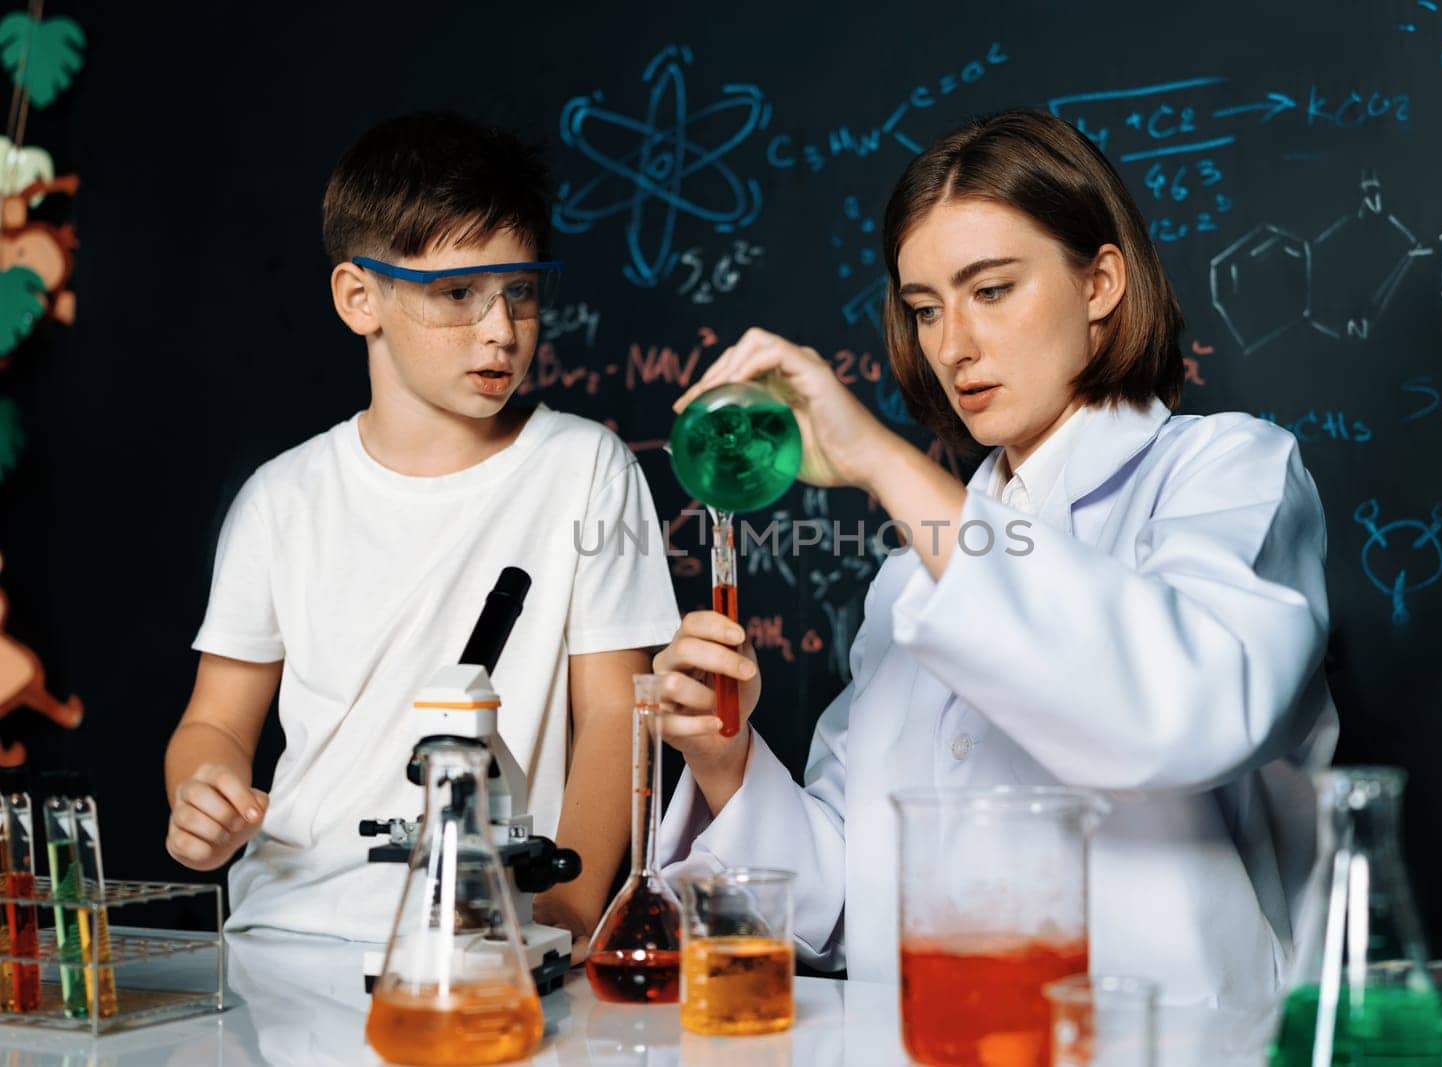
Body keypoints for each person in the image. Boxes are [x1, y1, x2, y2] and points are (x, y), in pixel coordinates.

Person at [651, 109, 1337, 1006]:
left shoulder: (1225, 473)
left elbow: (1181, 709)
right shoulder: (911, 578)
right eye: (926, 309)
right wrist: (726, 762)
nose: (952, 348)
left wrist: (883, 460)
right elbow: (854, 897)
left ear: (1100, 282)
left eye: (993, 290)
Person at [163, 113, 681, 952]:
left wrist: (571, 911)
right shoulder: (282, 499)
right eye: (457, 294)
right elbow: (216, 722)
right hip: (288, 932)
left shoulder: (585, 468)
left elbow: (619, 712)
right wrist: (202, 790)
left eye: (520, 290)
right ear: (358, 297)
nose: (500, 329)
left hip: (492, 946)